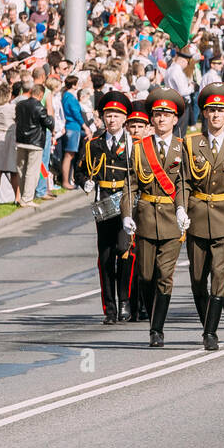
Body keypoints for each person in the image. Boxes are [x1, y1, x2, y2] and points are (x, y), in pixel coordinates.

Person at [182, 82, 224, 351]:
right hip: (198, 216)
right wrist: (181, 209)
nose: (215, 115)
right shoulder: (191, 144)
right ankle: (207, 324)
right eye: (211, 110)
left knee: (220, 275)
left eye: (221, 111)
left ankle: (210, 333)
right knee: (198, 279)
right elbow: (185, 182)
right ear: (204, 114)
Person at [121, 86, 188, 348]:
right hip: (147, 218)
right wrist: (127, 214)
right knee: (146, 276)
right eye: (157, 114)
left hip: (172, 219)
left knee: (164, 275)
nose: (161, 119)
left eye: (166, 115)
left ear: (175, 119)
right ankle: (153, 317)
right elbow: (131, 186)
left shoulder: (183, 148)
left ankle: (157, 329)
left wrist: (182, 208)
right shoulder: (139, 149)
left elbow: (183, 183)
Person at [77, 91, 137, 325]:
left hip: (126, 204)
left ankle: (125, 301)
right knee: (105, 257)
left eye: (116, 116)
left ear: (124, 119)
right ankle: (109, 308)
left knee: (124, 251)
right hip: (103, 204)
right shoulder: (94, 145)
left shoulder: (133, 144)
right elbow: (80, 170)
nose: (111, 120)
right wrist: (85, 182)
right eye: (108, 115)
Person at [14, 83, 54, 207]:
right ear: (41, 94)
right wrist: (51, 115)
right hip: (35, 142)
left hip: (21, 140)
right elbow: (49, 123)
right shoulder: (39, 107)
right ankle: (27, 198)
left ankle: (22, 197)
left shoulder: (20, 105)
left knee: (21, 169)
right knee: (32, 170)